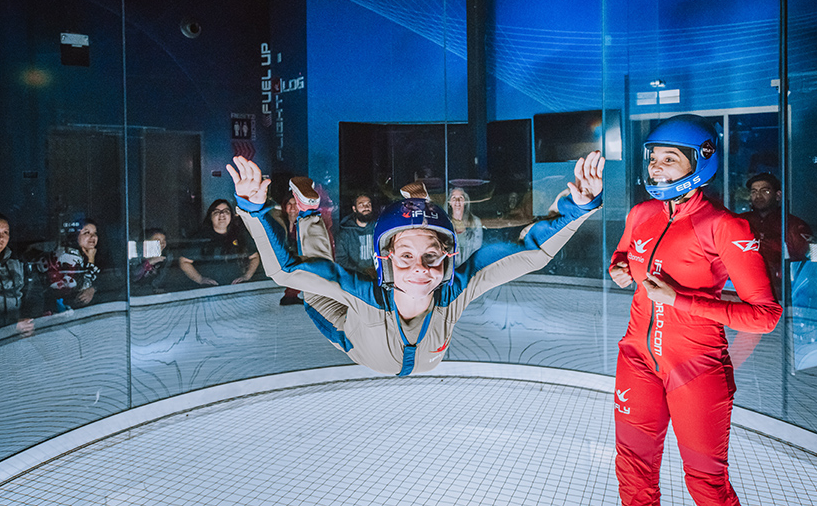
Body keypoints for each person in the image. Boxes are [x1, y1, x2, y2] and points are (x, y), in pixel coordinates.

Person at [227, 151, 604, 377]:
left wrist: (578, 208)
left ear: (447, 256)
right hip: (353, 330)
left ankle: (420, 212)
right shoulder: (365, 294)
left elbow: (530, 254)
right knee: (313, 286)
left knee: (315, 276)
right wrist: (252, 209)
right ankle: (310, 213)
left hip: (390, 354)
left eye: (431, 255)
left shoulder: (454, 286)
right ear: (386, 258)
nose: (421, 268)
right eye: (406, 256)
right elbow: (284, 272)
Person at [608, 115, 782, 506]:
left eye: (670, 159)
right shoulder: (641, 214)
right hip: (636, 359)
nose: (656, 166)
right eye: (653, 157)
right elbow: (623, 254)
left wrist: (678, 300)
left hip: (696, 368)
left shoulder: (724, 226)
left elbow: (765, 315)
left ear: (699, 161)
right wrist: (618, 268)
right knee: (633, 470)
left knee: (706, 484)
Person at [738, 172, 813, 302]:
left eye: (765, 191)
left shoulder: (793, 225)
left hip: (781, 293)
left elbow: (802, 259)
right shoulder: (741, 221)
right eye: (754, 192)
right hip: (743, 290)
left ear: (778, 195)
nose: (758, 196)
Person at [178, 199, 260, 288]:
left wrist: (246, 276)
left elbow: (254, 257)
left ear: (231, 216)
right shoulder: (202, 237)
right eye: (217, 212)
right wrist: (200, 279)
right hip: (209, 290)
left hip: (237, 288)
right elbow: (184, 261)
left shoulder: (240, 235)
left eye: (226, 211)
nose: (222, 215)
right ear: (210, 216)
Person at [46, 218, 119, 310]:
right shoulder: (65, 258)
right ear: (75, 236)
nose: (92, 237)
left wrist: (93, 289)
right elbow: (80, 287)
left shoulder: (101, 256)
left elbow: (112, 280)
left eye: (95, 233)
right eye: (86, 233)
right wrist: (90, 261)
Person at [335, 193, 377, 278]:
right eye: (361, 205)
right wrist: (363, 271)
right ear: (354, 209)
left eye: (368, 204)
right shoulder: (345, 232)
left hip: (378, 277)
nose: (366, 207)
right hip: (355, 279)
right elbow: (341, 260)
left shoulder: (378, 227)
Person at [130, 228, 173, 295]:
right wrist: (149, 262)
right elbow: (133, 277)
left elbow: (161, 280)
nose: (162, 243)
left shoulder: (167, 256)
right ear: (147, 242)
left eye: (164, 240)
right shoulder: (137, 254)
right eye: (157, 240)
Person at [447, 187, 483, 266]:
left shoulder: (475, 221)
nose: (457, 201)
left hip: (470, 267)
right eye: (454, 198)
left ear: (465, 201)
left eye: (461, 198)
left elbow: (477, 247)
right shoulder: (445, 220)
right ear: (449, 202)